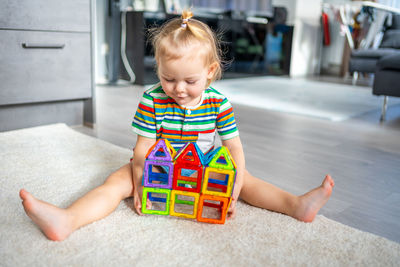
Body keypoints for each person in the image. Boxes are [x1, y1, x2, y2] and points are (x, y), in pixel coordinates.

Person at [19, 10, 334, 241]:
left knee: (247, 179)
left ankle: (296, 205)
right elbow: (142, 149)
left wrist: (234, 186)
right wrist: (141, 184)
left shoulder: (218, 102)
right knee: (115, 182)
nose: (178, 89)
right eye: (168, 78)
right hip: (158, 170)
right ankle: (67, 220)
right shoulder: (152, 99)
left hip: (203, 170)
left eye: (190, 80)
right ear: (158, 68)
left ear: (210, 72)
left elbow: (234, 147)